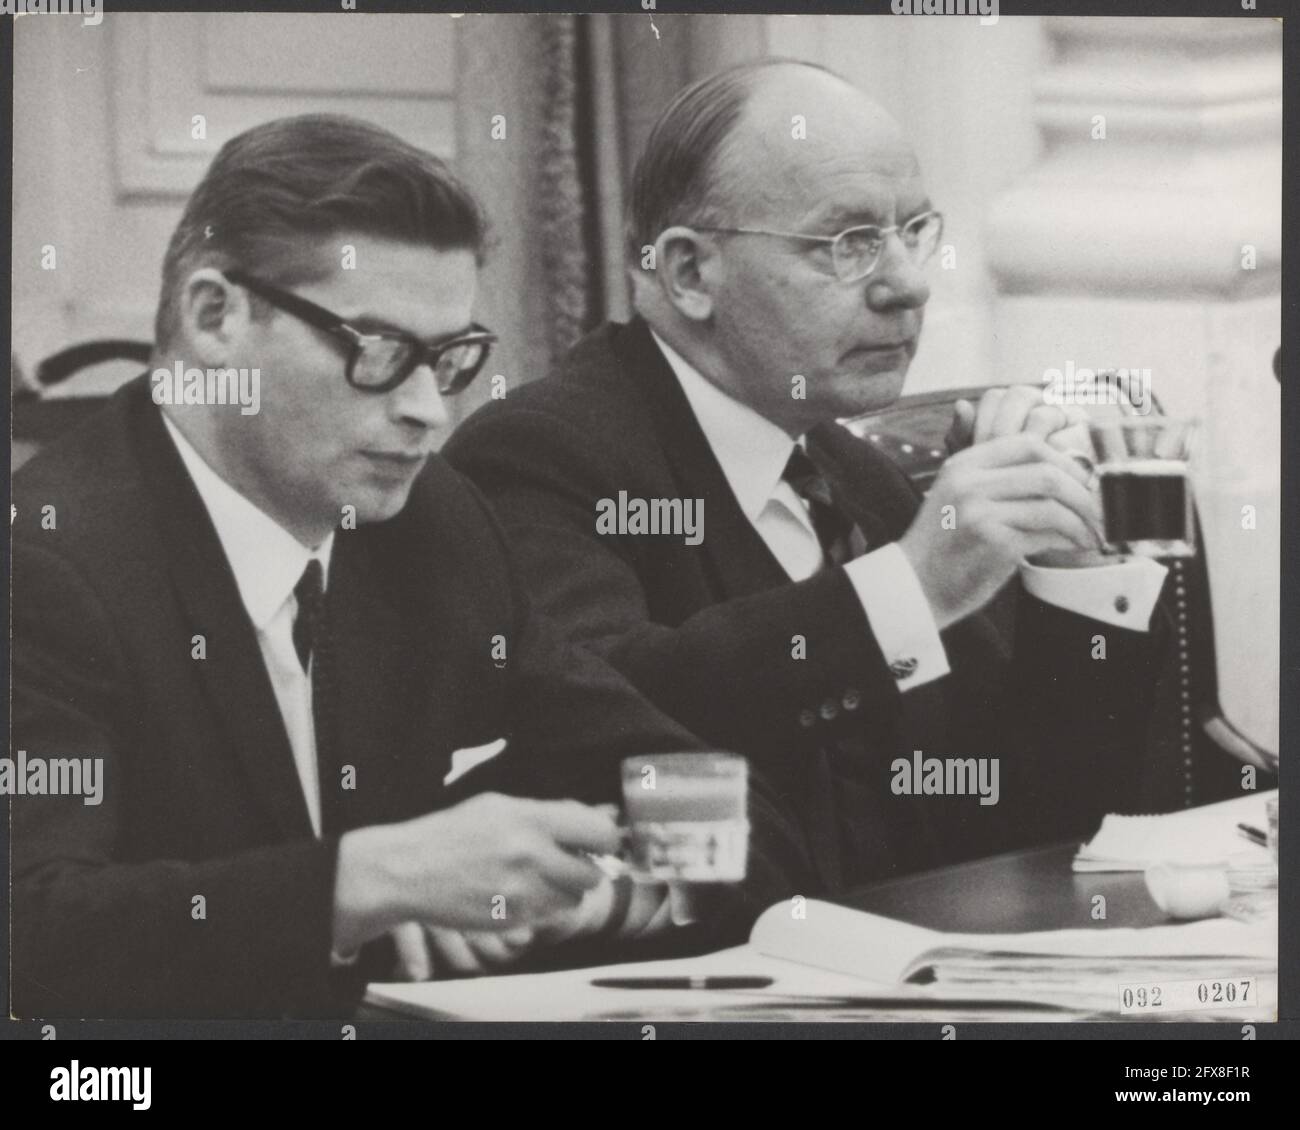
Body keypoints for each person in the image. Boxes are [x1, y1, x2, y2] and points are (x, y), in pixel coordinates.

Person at [9, 114, 813, 1019]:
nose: (429, 412)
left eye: (451, 358)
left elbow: (682, 780)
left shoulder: (429, 522)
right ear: (214, 316)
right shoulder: (44, 564)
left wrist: (612, 895)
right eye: (380, 352)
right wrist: (365, 883)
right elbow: (33, 933)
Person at [445, 60, 1170, 893]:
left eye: (914, 231)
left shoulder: (854, 474)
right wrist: (914, 586)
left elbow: (1024, 825)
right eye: (849, 245)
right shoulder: (540, 455)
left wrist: (1072, 579)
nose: (908, 284)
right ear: (688, 273)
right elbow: (606, 727)